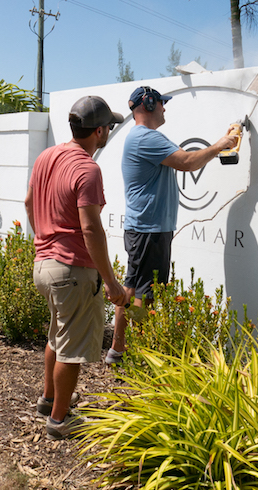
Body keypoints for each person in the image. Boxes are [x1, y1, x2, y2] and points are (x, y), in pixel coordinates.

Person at [106, 86, 238, 364]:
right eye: (162, 103)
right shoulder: (146, 138)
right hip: (149, 230)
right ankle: (139, 355)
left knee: (132, 290)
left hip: (143, 228)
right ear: (150, 104)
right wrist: (222, 144)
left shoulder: (143, 137)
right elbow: (188, 162)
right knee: (145, 295)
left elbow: (181, 158)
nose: (165, 108)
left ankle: (118, 351)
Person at [25, 95, 127, 439]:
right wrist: (111, 282)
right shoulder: (88, 168)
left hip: (45, 265)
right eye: (109, 126)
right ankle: (59, 420)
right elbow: (90, 229)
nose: (110, 131)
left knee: (58, 334)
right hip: (72, 271)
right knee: (70, 348)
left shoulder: (47, 156)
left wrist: (43, 238)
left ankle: (48, 398)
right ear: (99, 131)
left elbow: (28, 202)